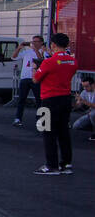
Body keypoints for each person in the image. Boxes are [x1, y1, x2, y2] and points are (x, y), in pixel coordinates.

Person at [32, 32, 77, 175]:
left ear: (53, 45)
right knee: (63, 131)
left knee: (47, 132)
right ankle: (66, 163)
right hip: (65, 98)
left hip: (49, 99)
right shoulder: (72, 61)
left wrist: (34, 67)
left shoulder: (49, 62)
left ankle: (51, 165)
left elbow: (36, 79)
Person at [12, 35, 47, 126]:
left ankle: (40, 119)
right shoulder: (27, 51)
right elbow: (14, 57)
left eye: (36, 41)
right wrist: (19, 48)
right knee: (21, 99)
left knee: (39, 100)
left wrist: (35, 49)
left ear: (41, 42)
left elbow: (41, 60)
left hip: (36, 78)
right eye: (33, 41)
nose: (34, 43)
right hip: (25, 77)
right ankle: (18, 118)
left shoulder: (43, 51)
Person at [72, 74, 95, 138]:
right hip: (90, 114)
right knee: (76, 126)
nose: (85, 88)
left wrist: (83, 101)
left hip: (93, 114)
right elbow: (78, 105)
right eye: (83, 86)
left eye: (86, 86)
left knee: (93, 114)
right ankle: (91, 127)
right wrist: (76, 102)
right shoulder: (84, 92)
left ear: (93, 85)